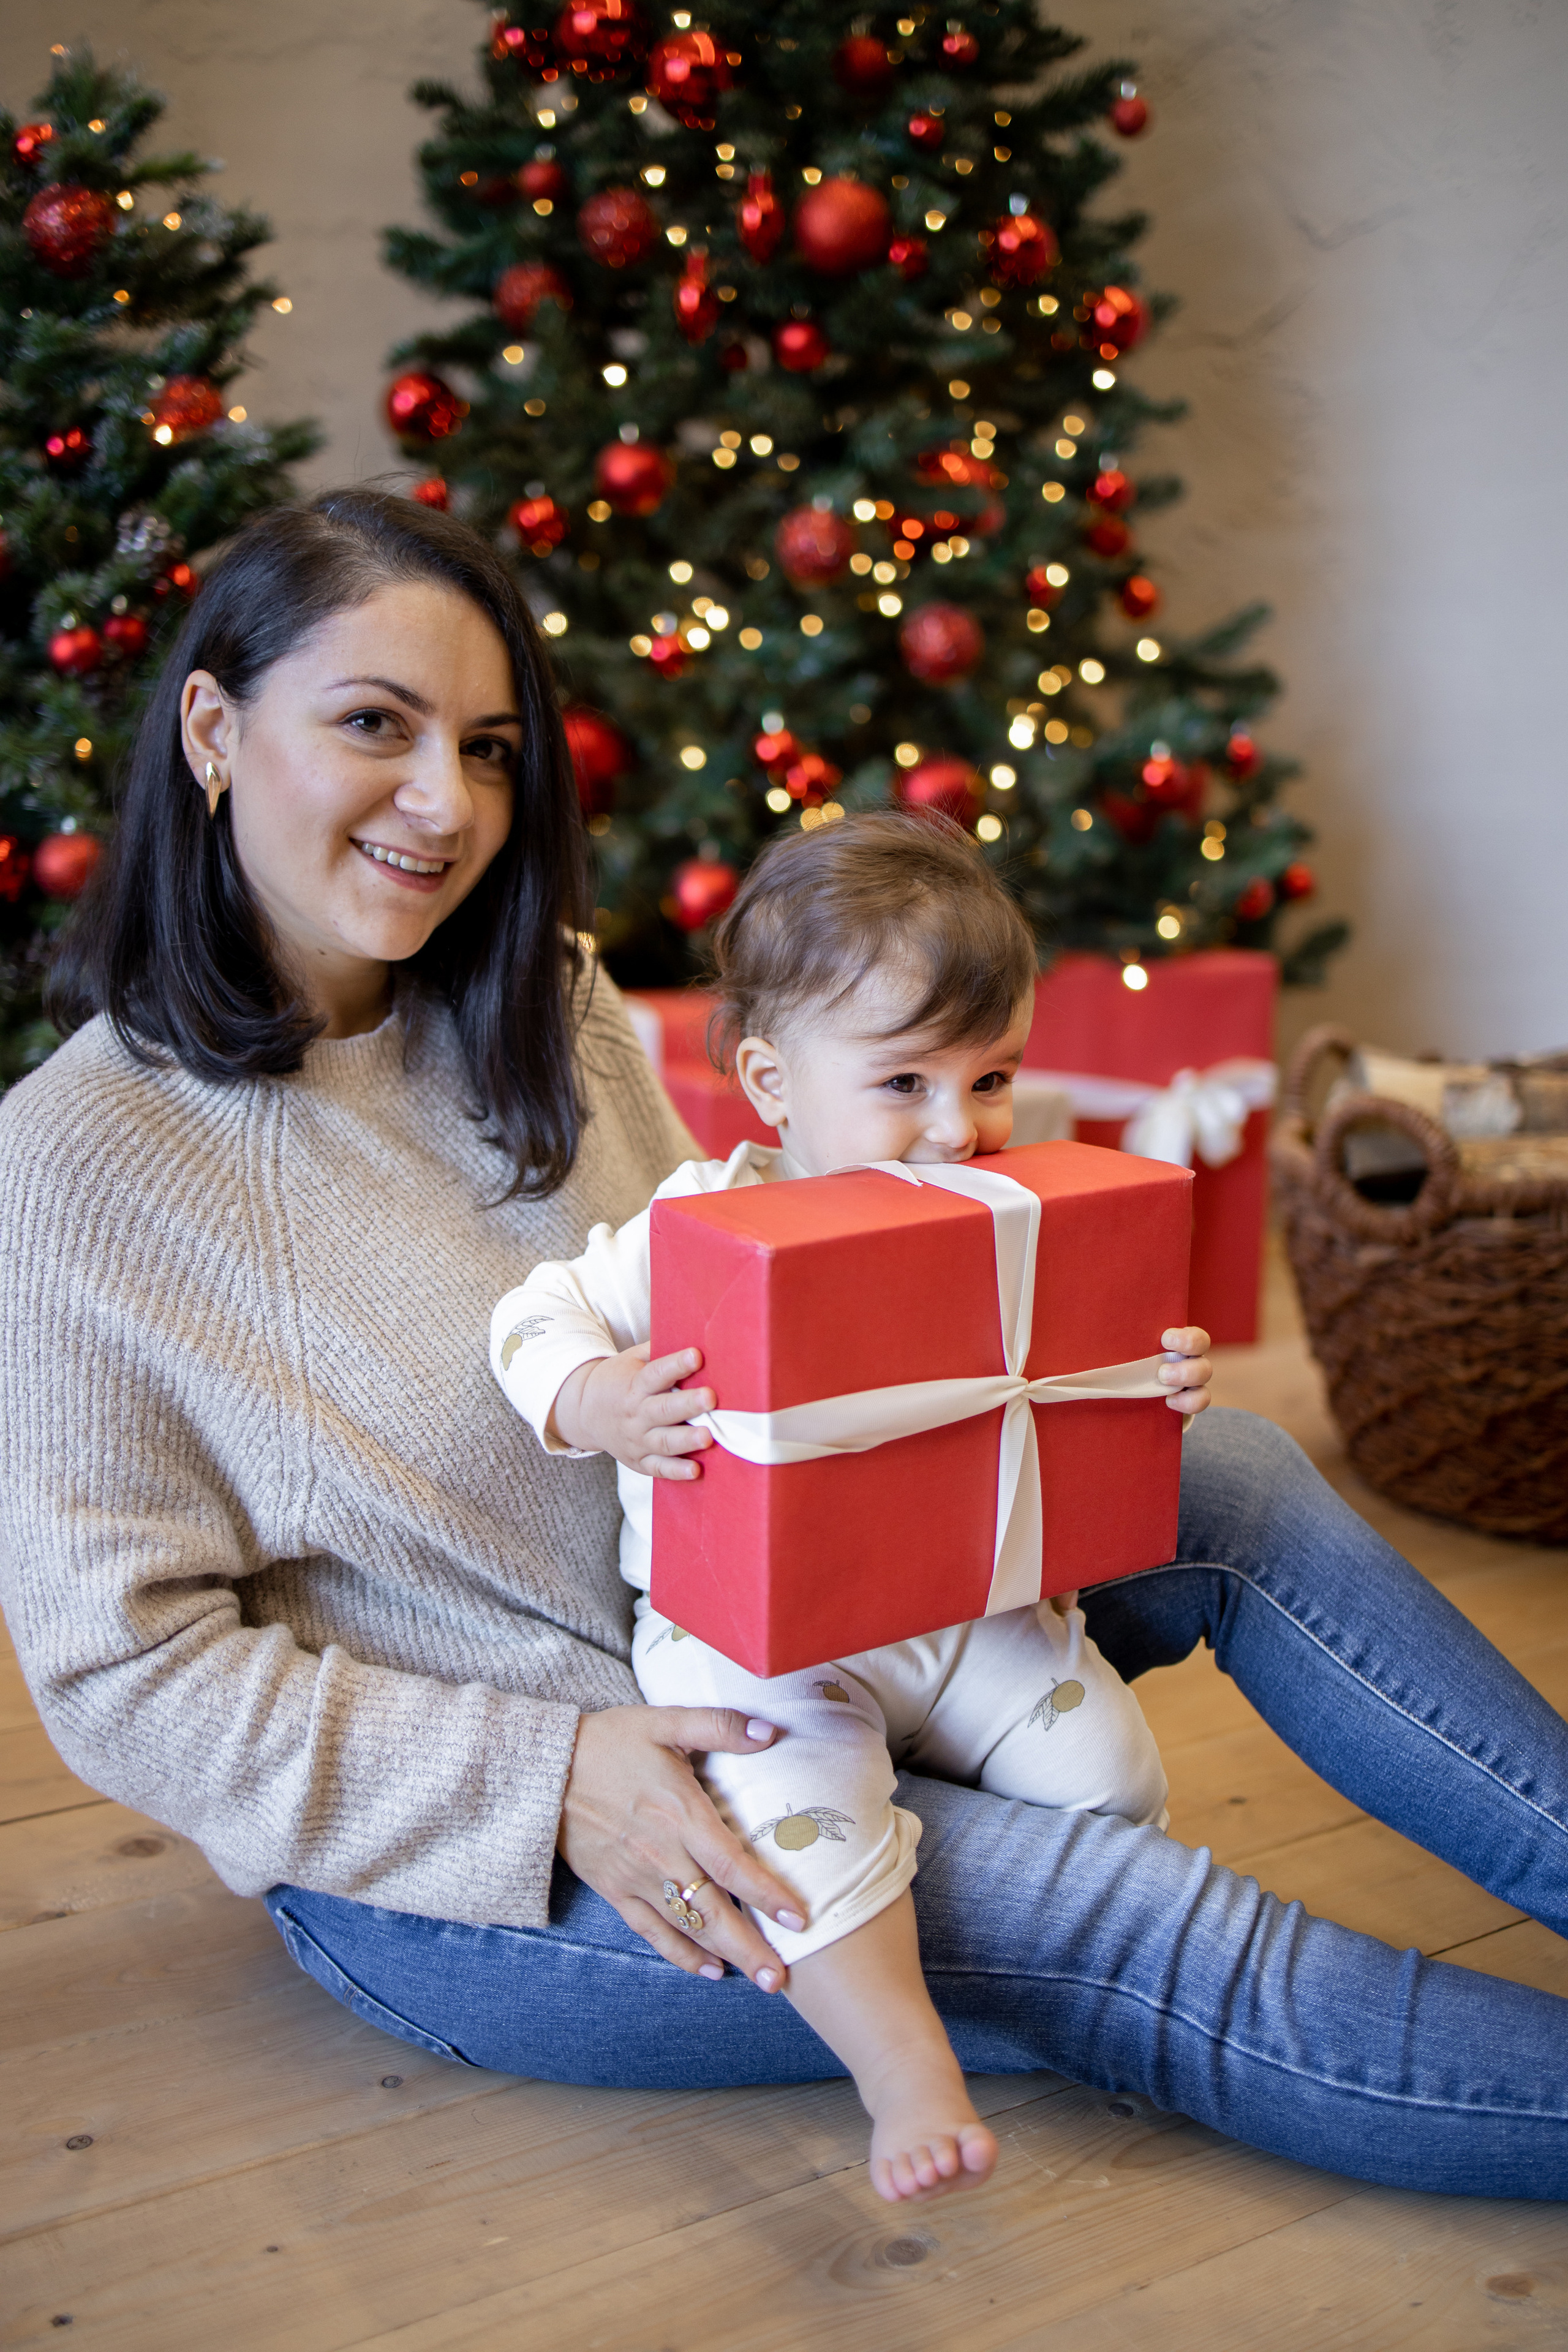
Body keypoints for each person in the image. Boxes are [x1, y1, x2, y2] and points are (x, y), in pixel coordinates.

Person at [1, 489, 1566, 2207]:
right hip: (501, 1840)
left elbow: (770, 1301)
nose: (448, 806)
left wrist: (1079, 1376)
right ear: (214, 731)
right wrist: (546, 1775)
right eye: (375, 725)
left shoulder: (545, 1001)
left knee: (1237, 1472)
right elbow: (121, 1677)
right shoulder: (80, 1167)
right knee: (1111, 1919)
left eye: (494, 748)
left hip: (792, 1607)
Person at [492, 815, 1198, 2203]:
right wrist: (594, 1398)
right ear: (771, 1081)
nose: (959, 1125)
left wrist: (1149, 1374)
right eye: (903, 1081)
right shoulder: (696, 1225)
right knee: (793, 1827)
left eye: (989, 1075)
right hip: (763, 1646)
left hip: (968, 1609)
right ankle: (901, 2070)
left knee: (1109, 1770)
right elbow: (536, 1313)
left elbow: (1084, 1367)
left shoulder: (1004, 1215)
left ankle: (1086, 1955)